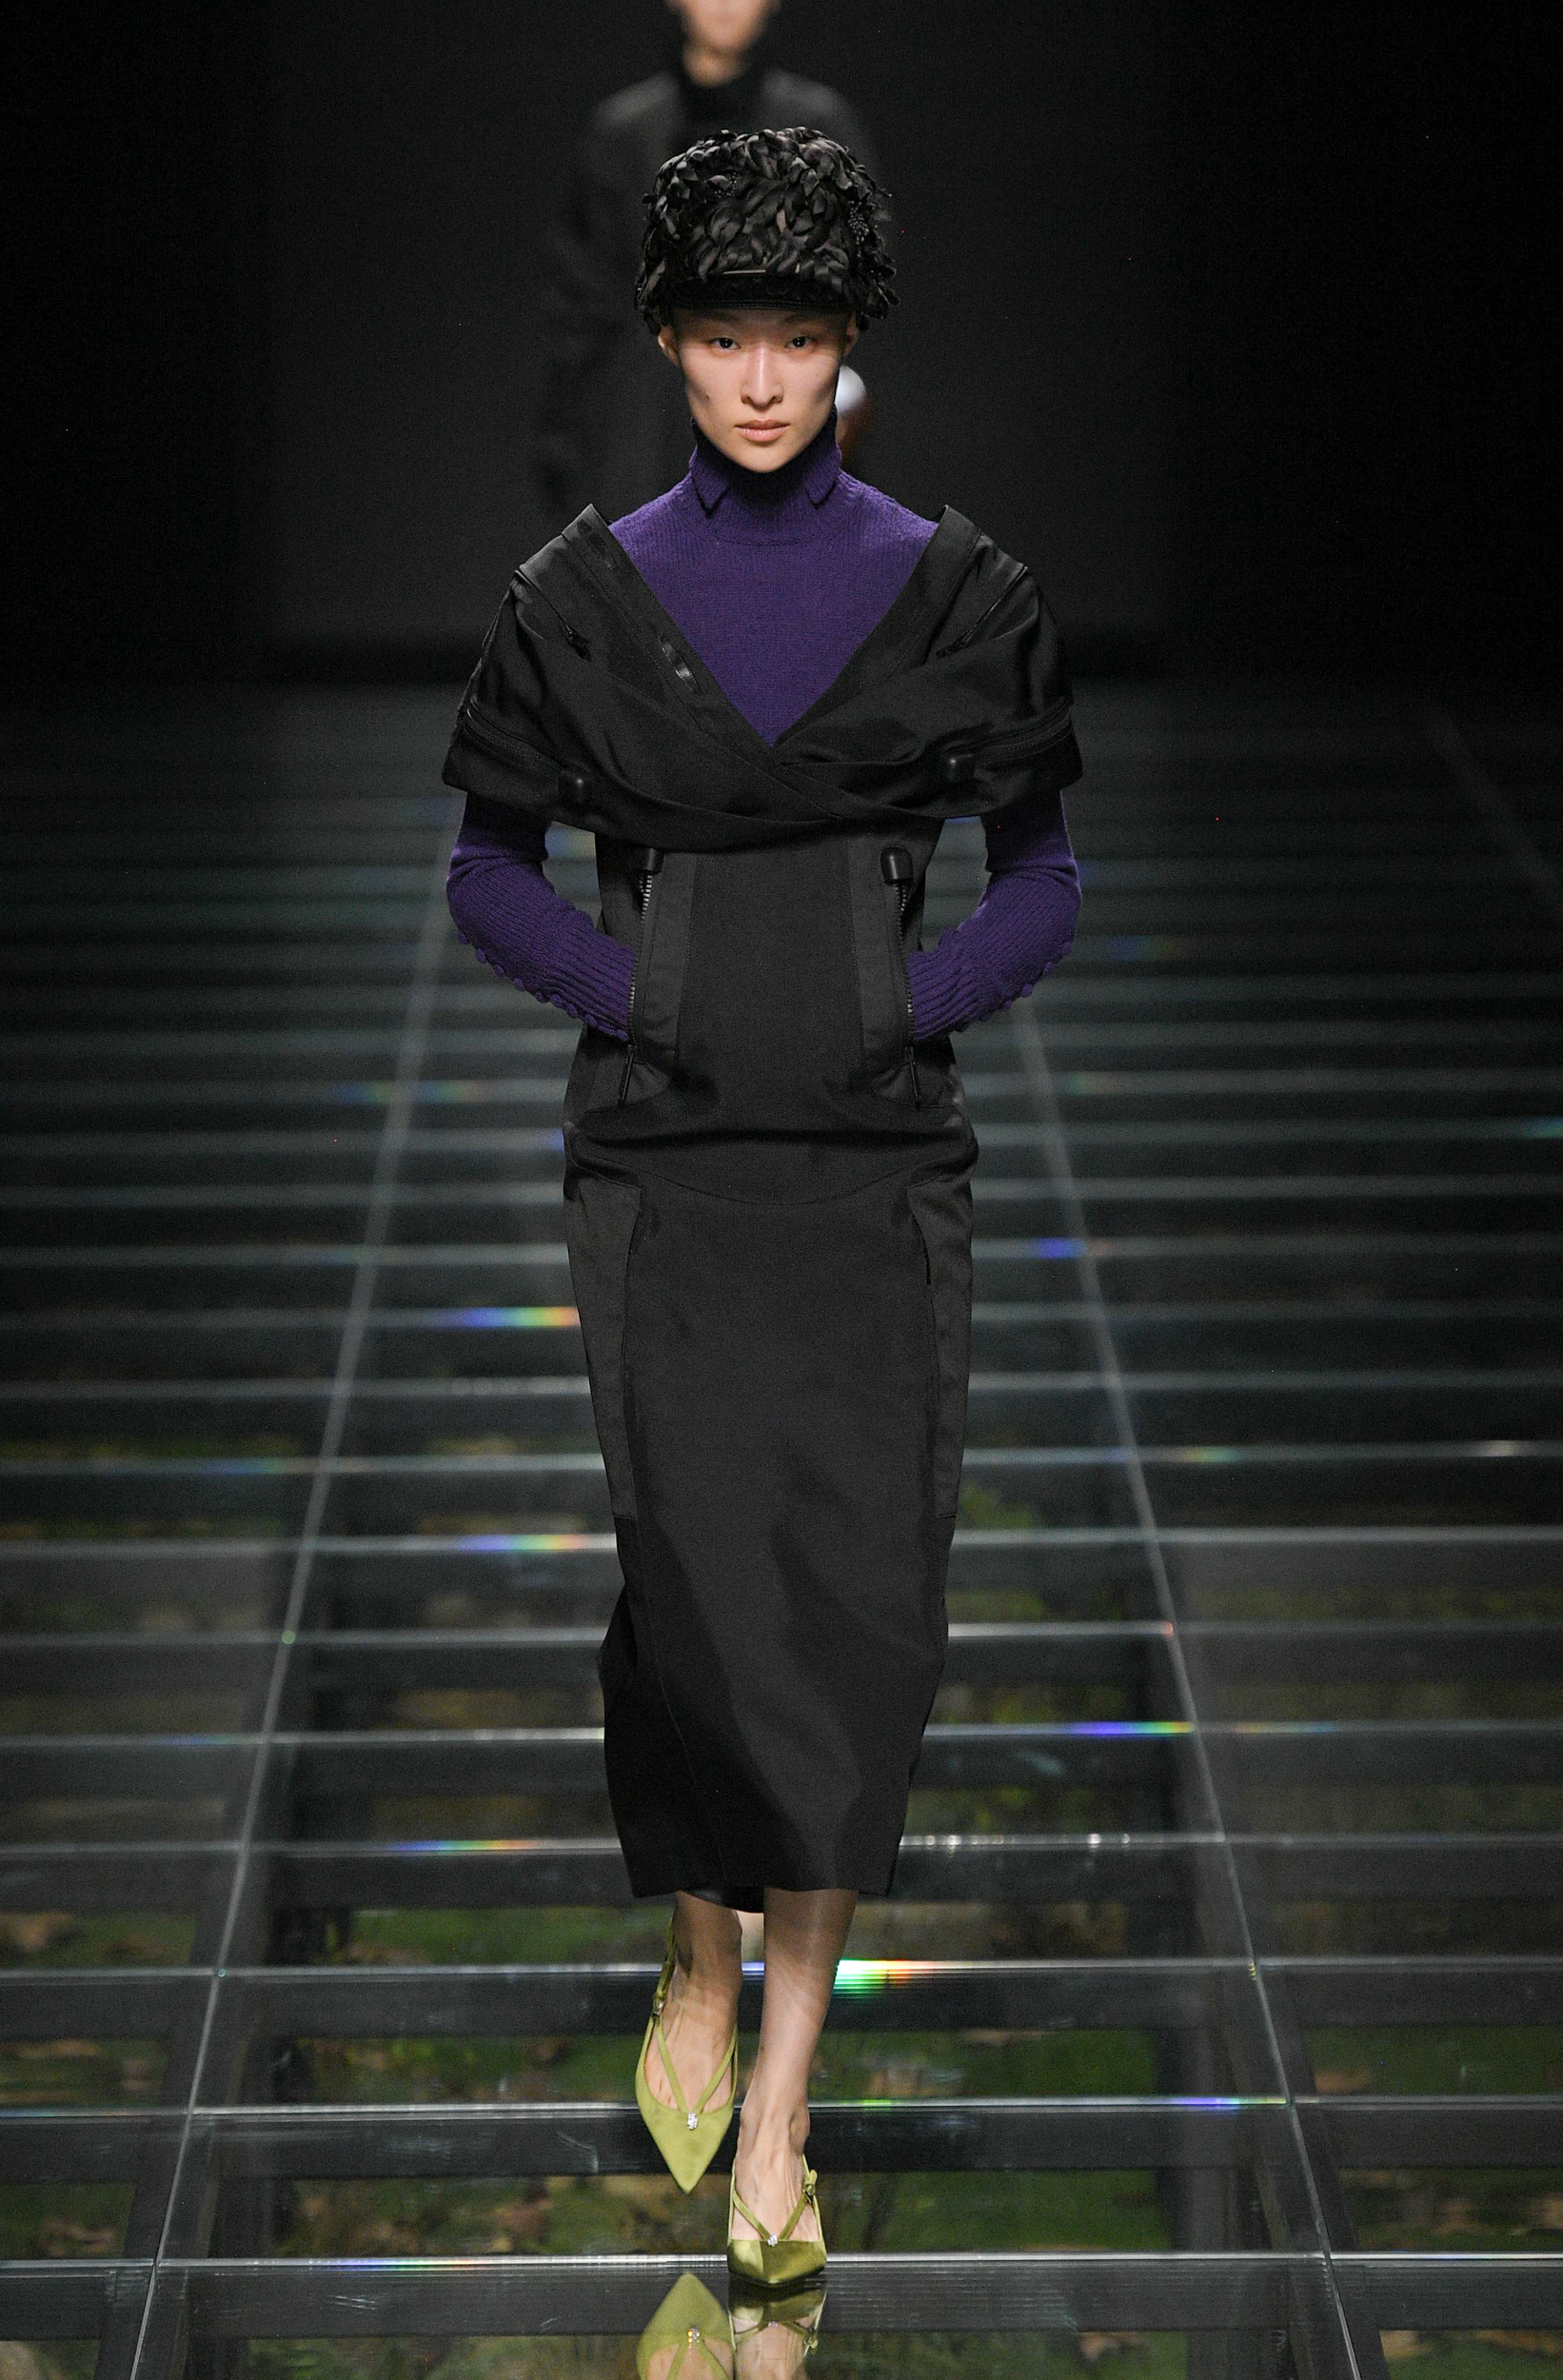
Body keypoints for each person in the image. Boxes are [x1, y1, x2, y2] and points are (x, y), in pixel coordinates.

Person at [444, 128, 1082, 2288]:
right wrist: (647, 999)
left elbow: (1049, 876)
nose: (758, 376)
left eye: (795, 336)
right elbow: (482, 870)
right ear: (665, 339)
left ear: (846, 346)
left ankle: (784, 2102)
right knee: (700, 1593)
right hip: (666, 1158)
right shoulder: (579, 598)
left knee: (856, 1619)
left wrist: (903, 1009)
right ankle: (699, 1956)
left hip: (879, 1167)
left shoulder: (962, 594)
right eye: (723, 334)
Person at [534, 0, 877, 523]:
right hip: (641, 437)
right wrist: (567, 453)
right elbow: (579, 311)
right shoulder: (622, 134)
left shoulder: (819, 126)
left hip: (778, 431)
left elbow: (861, 283)